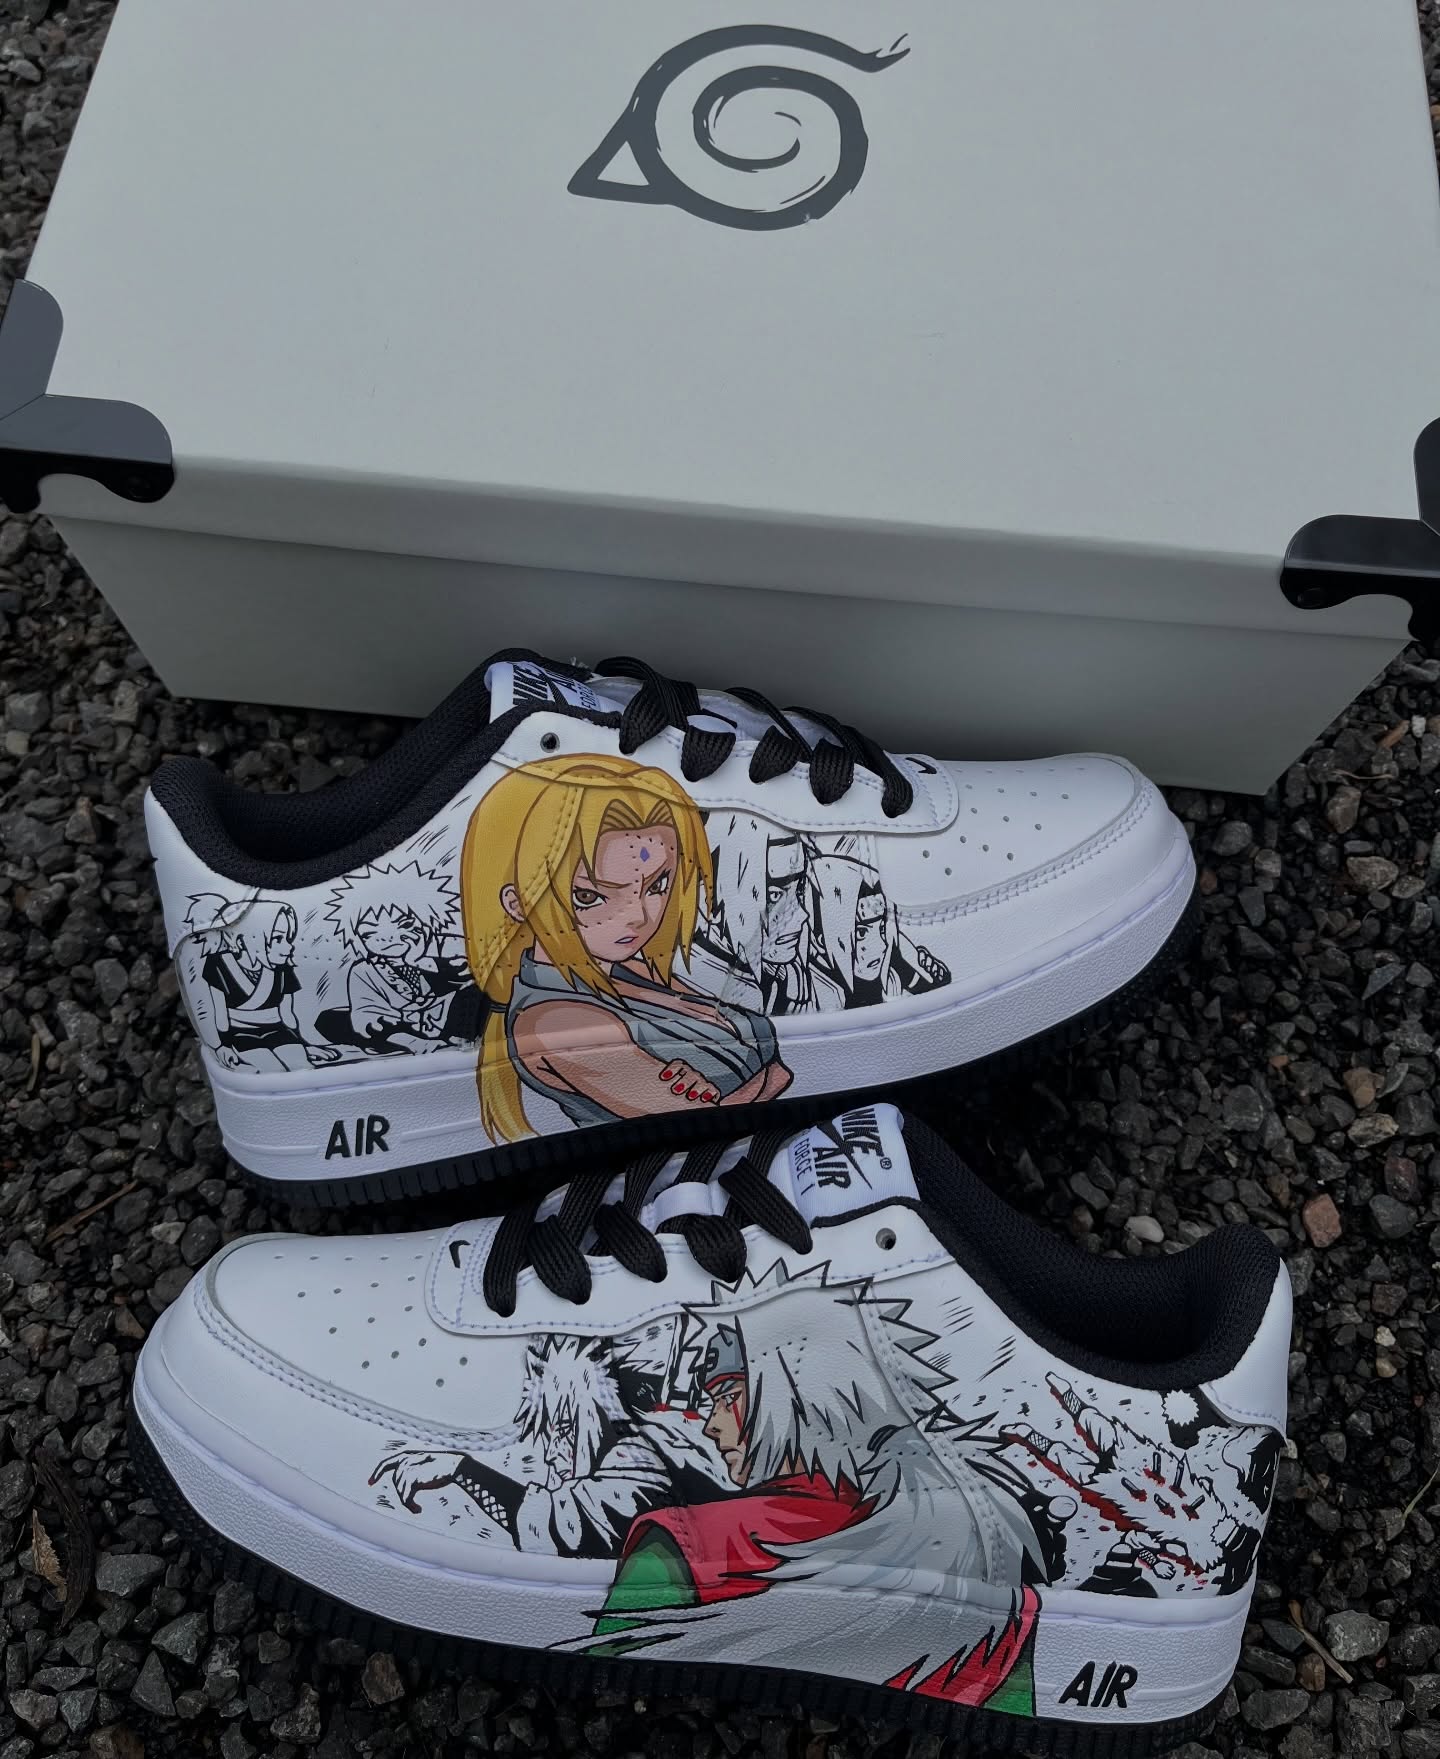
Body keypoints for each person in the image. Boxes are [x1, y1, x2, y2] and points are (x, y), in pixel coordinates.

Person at [459, 754, 791, 1144]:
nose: (638, 916)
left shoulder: (629, 969)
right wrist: (766, 1076)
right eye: (590, 896)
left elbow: (761, 1082)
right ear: (518, 902)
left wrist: (759, 1080)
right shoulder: (554, 1021)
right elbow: (710, 1119)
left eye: (657, 886)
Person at [316, 861, 482, 1054]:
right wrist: (373, 1020)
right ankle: (414, 1043)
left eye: (405, 925)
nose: (386, 939)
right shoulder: (364, 969)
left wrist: (421, 961)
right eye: (369, 934)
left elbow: (467, 975)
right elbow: (367, 1008)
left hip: (449, 1014)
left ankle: (456, 1038)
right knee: (331, 1020)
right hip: (398, 1023)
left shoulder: (447, 944)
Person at [184, 896, 338, 1072]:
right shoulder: (218, 964)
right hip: (240, 1034)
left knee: (301, 1065)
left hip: (279, 1031)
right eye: (277, 939)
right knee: (271, 1068)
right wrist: (224, 1046)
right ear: (242, 941)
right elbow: (220, 1014)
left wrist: (304, 1045)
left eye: (288, 938)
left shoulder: (282, 969)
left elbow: (287, 1014)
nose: (289, 947)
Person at [807, 849, 950, 1009]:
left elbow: (927, 988)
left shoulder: (890, 972)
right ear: (820, 941)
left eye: (881, 928)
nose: (881, 946)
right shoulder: (810, 991)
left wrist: (937, 978)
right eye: (861, 933)